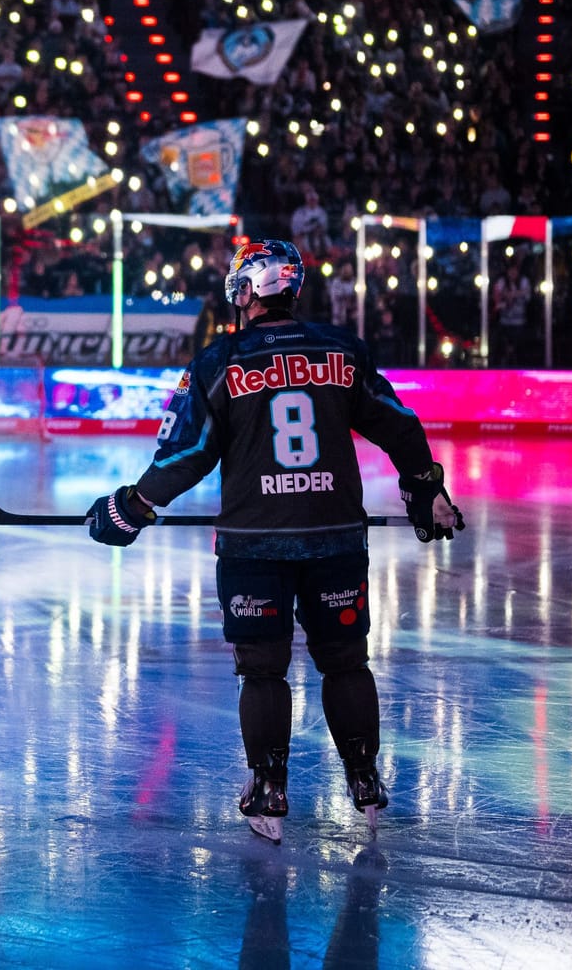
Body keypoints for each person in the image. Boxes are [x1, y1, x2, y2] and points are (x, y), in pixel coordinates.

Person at [85, 239, 464, 844]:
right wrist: (426, 490)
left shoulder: (221, 360)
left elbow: (188, 453)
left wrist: (133, 505)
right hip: (335, 537)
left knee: (262, 672)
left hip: (253, 543)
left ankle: (268, 789)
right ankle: (364, 779)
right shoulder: (342, 350)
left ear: (249, 290)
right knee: (344, 662)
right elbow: (400, 425)